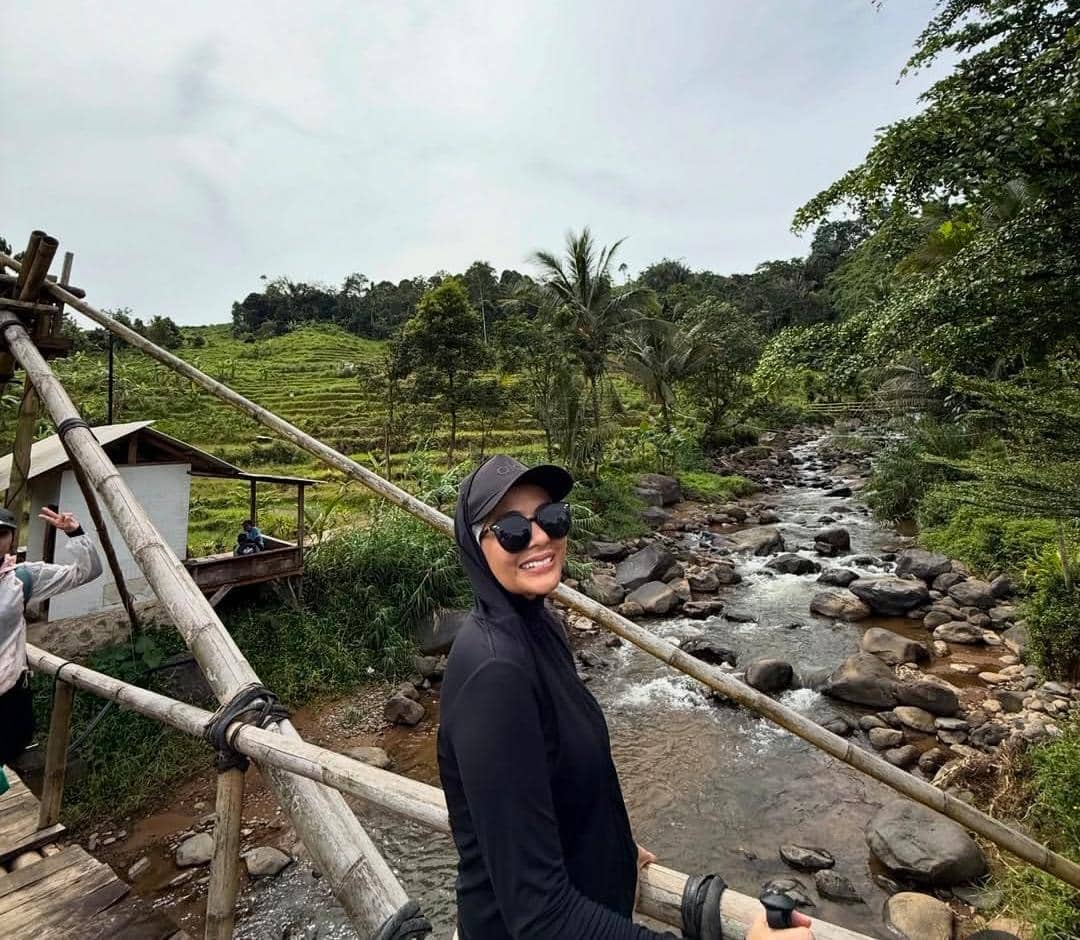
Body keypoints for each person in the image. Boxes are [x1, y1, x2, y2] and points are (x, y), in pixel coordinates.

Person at [438, 455, 813, 940]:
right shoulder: (495, 673)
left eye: (551, 517)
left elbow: (557, 773)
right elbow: (541, 918)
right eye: (509, 529)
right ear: (474, 544)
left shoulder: (538, 628)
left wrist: (611, 843)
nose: (539, 538)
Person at [0, 507, 104, 771]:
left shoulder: (22, 578)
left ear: (11, 539)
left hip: (8, 697)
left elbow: (86, 572)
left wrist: (75, 533)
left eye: (1, 533)